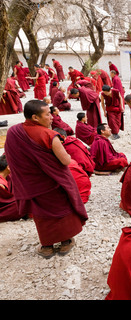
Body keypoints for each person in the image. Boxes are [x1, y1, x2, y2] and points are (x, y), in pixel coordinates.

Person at [4, 100, 88, 258]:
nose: (51, 117)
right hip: (52, 183)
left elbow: (11, 157)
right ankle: (65, 242)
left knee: (42, 215)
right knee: (61, 211)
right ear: (35, 117)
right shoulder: (49, 136)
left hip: (31, 185)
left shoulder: (13, 131)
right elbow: (65, 161)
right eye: (47, 114)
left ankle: (47, 246)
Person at [0, 154, 27, 223]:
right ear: (8, 167)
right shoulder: (1, 184)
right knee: (23, 203)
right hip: (3, 209)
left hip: (9, 204)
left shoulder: (8, 177)